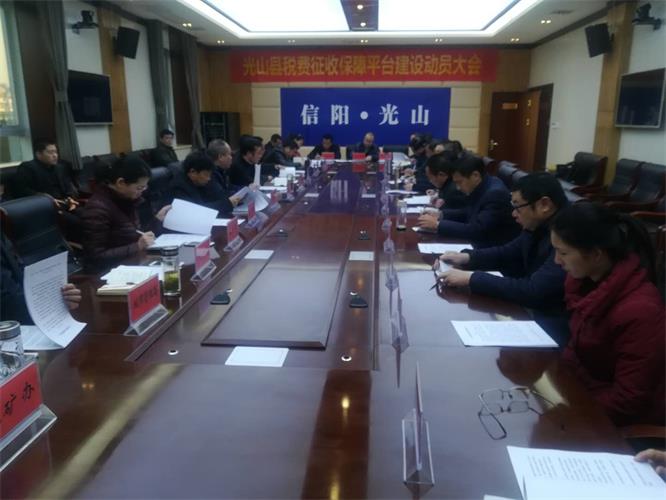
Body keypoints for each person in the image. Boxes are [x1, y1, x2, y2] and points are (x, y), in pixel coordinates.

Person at [551, 202, 665, 426]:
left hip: (621, 423)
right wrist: (558, 387)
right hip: (586, 398)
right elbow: (577, 349)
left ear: (596, 254)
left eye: (563, 252)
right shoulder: (586, 285)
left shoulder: (640, 311)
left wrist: (570, 412)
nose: (557, 260)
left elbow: (628, 400)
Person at [436, 173, 570, 344]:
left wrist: (472, 278)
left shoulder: (568, 235)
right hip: (534, 313)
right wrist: (466, 257)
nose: (513, 214)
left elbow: (534, 291)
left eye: (518, 207)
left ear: (544, 205)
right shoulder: (539, 224)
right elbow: (509, 251)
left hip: (554, 326)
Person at [82, 155, 171, 271]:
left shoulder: (127, 200)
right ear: (121, 183)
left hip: (132, 264)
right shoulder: (97, 209)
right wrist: (137, 246)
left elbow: (134, 234)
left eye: (144, 187)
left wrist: (157, 220)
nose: (142, 192)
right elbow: (96, 257)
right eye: (139, 188)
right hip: (109, 273)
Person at [418, 153, 520, 248]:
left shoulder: (494, 194)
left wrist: (438, 225)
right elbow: (469, 212)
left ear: (475, 175)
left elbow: (478, 230)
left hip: (491, 248)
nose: (458, 188)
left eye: (460, 182)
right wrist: (440, 214)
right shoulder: (484, 184)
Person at [1, 232, 81, 324]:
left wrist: (62, 295)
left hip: (35, 318)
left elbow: (20, 273)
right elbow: (7, 300)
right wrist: (54, 300)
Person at [15, 140, 83, 241]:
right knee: (77, 223)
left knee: (89, 216)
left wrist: (70, 198)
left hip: (65, 204)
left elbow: (67, 187)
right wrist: (44, 198)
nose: (55, 155)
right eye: (50, 152)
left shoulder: (59, 168)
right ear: (39, 154)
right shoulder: (27, 168)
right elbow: (20, 190)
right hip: (45, 208)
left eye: (56, 152)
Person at [170, 151, 239, 215]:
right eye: (206, 174)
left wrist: (234, 198)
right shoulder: (179, 188)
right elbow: (198, 211)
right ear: (193, 172)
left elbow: (217, 196)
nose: (209, 178)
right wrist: (227, 204)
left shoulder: (201, 182)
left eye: (210, 175)